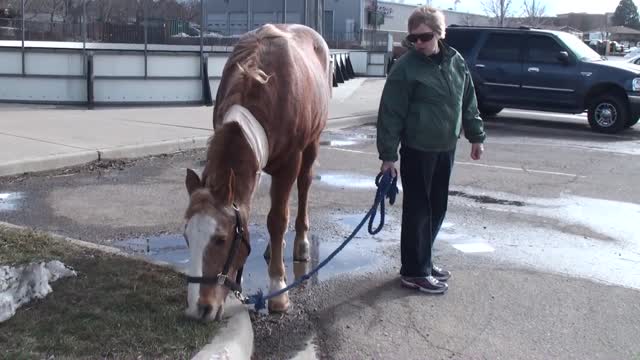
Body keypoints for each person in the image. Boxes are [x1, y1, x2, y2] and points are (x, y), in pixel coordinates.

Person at [376, 6, 486, 294]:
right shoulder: (406, 68)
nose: (418, 44)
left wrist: (476, 135)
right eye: (413, 39)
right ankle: (414, 271)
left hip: (445, 147)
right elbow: (390, 114)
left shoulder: (455, 61)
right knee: (418, 210)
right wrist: (389, 156)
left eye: (424, 37)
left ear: (439, 33)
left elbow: (468, 100)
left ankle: (423, 259)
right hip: (417, 150)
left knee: (437, 206)